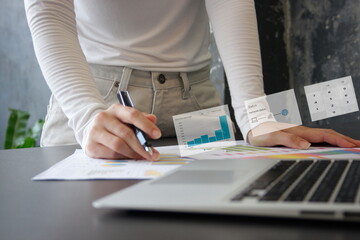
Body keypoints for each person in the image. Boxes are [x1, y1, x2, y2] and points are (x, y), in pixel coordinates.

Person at [24, 0, 360, 161]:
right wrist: (85, 114)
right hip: (98, 101)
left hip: (194, 100)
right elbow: (48, 11)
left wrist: (256, 116)